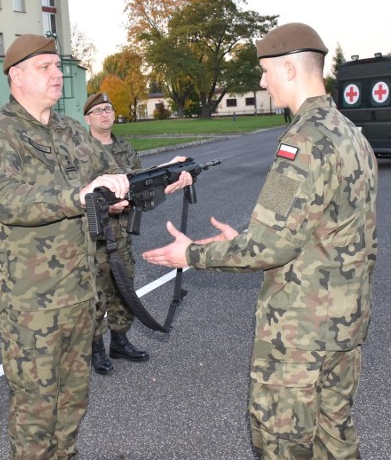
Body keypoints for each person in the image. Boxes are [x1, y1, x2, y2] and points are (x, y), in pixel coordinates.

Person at [143, 23, 378, 459]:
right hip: (343, 323)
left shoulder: (302, 140)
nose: (261, 81)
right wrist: (248, 238)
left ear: (289, 69)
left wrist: (191, 254)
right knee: (335, 439)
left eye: (265, 71)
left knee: (282, 445)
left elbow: (269, 246)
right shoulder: (350, 133)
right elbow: (328, 229)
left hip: (299, 333)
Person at [0, 34, 130, 459]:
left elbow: (112, 173)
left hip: (80, 296)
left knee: (73, 405)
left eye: (58, 67)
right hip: (32, 305)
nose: (58, 74)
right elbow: (5, 199)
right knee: (35, 413)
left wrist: (154, 180)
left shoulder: (71, 131)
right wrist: (77, 195)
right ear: (16, 76)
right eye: (46, 67)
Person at [82, 92, 191, 374]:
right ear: (87, 119)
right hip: (91, 238)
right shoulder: (79, 150)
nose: (105, 114)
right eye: (98, 111)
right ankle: (95, 347)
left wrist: (169, 177)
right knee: (95, 295)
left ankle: (119, 341)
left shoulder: (126, 148)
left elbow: (140, 183)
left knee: (123, 288)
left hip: (121, 236)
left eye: (108, 108)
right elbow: (78, 195)